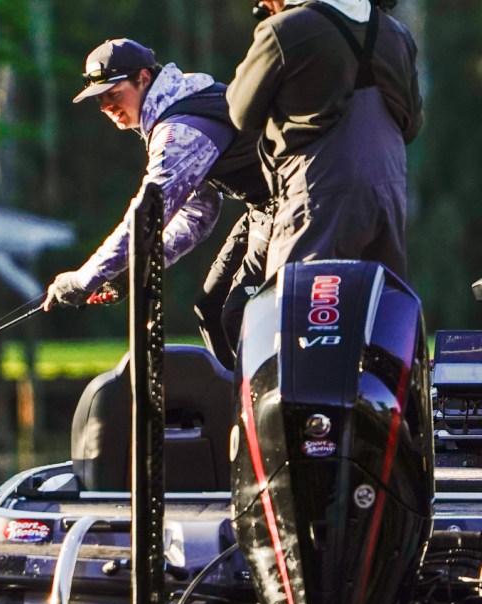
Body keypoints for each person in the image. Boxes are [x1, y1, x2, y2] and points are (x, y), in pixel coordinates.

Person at [42, 38, 272, 369]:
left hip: (293, 202)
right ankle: (233, 394)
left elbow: (144, 219)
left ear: (143, 78)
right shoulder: (180, 100)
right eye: (99, 99)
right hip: (263, 207)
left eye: (113, 93)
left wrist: (82, 280)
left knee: (236, 313)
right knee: (212, 307)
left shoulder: (177, 131)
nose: (106, 106)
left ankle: (270, 398)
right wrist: (132, 270)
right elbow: (199, 212)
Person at [227, 0, 423, 281]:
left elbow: (241, 114)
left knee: (302, 299)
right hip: (387, 192)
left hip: (318, 191)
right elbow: (412, 126)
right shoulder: (396, 33)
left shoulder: (283, 30)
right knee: (380, 298)